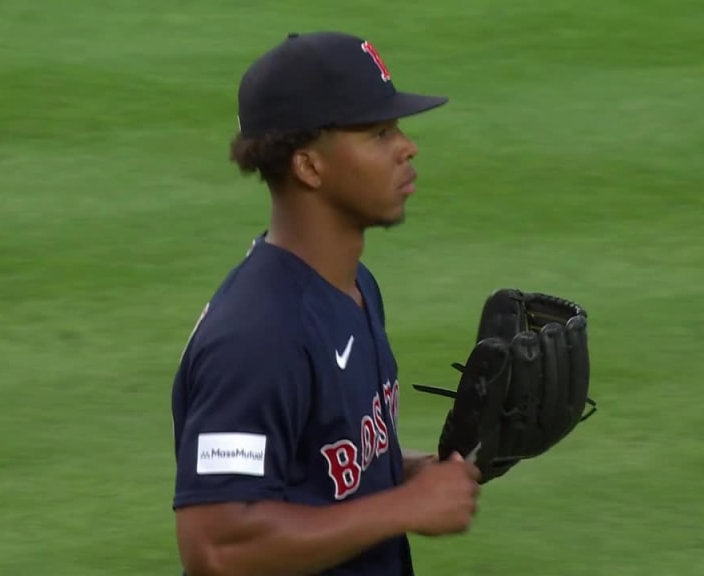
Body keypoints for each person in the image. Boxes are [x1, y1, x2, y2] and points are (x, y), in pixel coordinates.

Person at [170, 31, 482, 576]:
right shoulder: (258, 337)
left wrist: (413, 473)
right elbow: (216, 546)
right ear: (309, 167)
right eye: (379, 132)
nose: (406, 146)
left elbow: (312, 474)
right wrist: (405, 506)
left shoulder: (354, 287)